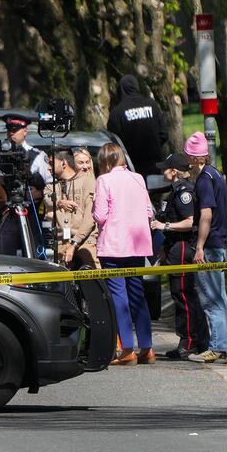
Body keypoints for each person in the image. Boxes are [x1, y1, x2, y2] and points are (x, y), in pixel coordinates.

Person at [92, 142, 155, 365]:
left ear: (104, 161)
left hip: (114, 245)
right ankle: (147, 348)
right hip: (137, 244)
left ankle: (127, 348)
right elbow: (149, 211)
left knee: (119, 296)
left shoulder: (104, 180)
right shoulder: (138, 178)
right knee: (138, 295)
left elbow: (100, 215)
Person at [150, 152, 209, 359]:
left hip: (184, 248)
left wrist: (163, 225)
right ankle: (194, 340)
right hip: (174, 246)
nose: (161, 171)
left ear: (174, 171)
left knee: (184, 295)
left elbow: (189, 222)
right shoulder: (174, 191)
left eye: (165, 168)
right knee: (180, 295)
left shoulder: (184, 191)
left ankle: (191, 342)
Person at [185, 131, 227, 363]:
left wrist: (200, 246)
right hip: (221, 242)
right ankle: (221, 345)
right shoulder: (216, 175)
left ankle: (216, 347)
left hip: (210, 245)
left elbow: (206, 215)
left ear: (194, 158)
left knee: (211, 299)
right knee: (220, 298)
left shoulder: (203, 180)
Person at [106, 74, 169, 176]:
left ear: (121, 89)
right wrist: (154, 147)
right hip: (155, 166)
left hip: (131, 168)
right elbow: (164, 134)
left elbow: (113, 145)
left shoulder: (117, 113)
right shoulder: (152, 105)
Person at [45, 149, 97, 269]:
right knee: (65, 285)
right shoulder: (51, 187)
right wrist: (59, 203)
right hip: (61, 243)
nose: (48, 168)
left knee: (92, 284)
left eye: (51, 163)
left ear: (64, 163)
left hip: (85, 243)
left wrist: (74, 243)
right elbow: (48, 205)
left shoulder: (88, 181)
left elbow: (90, 218)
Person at [0, 113, 51, 193]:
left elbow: (51, 183)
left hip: (29, 203)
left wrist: (40, 193)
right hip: (3, 203)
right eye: (9, 130)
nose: (11, 133)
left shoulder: (38, 156)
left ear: (25, 131)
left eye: (15, 130)